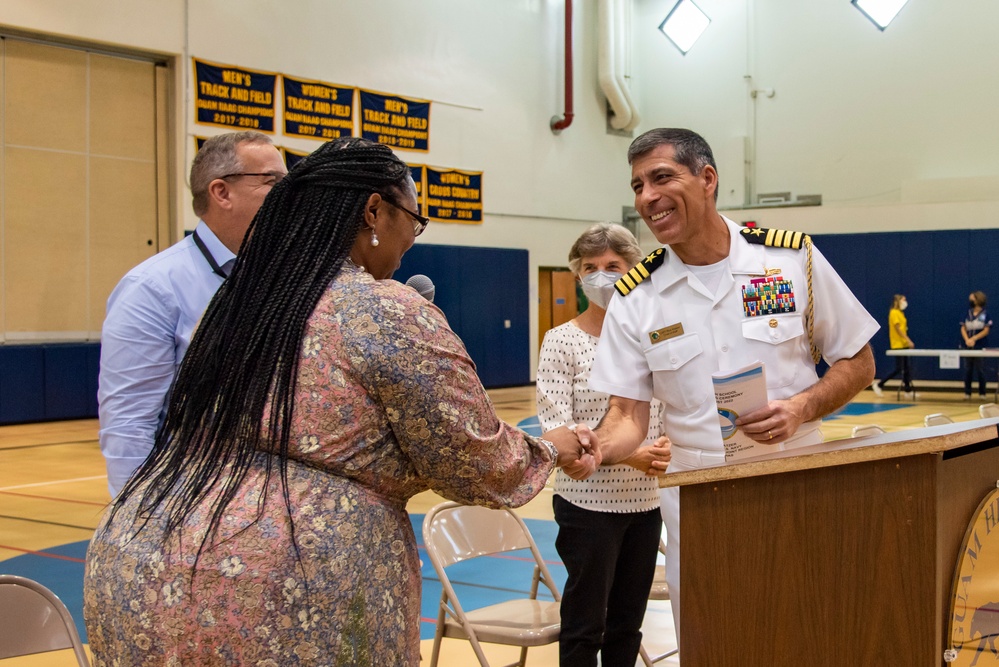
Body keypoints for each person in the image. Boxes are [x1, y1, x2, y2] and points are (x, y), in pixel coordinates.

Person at [83, 137, 597, 666]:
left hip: (139, 562)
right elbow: (477, 462)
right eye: (413, 222)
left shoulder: (241, 299)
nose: (411, 242)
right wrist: (549, 449)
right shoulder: (383, 309)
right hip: (281, 590)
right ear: (375, 210)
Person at [585, 128, 878, 640]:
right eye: (637, 186)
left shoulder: (789, 262)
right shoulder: (637, 298)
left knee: (814, 627)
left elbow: (858, 359)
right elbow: (627, 416)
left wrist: (802, 408)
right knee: (713, 635)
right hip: (699, 498)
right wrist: (595, 446)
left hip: (797, 478)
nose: (646, 198)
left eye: (660, 178)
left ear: (707, 178)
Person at [97, 131, 287, 497]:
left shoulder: (278, 277)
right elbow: (128, 425)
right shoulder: (151, 288)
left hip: (269, 507)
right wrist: (141, 523)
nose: (286, 192)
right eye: (271, 181)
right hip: (189, 508)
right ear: (221, 192)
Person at [537, 223, 671, 667]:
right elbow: (560, 431)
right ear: (577, 277)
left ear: (636, 270)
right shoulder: (562, 341)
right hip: (588, 507)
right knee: (585, 624)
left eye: (613, 266)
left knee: (628, 624)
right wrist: (631, 454)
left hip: (647, 503)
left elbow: (669, 409)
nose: (601, 276)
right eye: (590, 268)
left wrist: (669, 446)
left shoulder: (655, 336)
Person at [872, 294, 914, 397]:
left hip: (903, 344)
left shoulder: (901, 313)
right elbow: (898, 329)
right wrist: (908, 340)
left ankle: (908, 390)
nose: (905, 302)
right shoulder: (894, 313)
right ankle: (879, 384)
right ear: (898, 301)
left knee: (906, 368)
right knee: (899, 368)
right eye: (903, 300)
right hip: (898, 344)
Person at [961, 290, 993, 399]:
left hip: (980, 346)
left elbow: (986, 330)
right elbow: (963, 327)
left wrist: (974, 338)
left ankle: (982, 393)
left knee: (981, 370)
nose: (971, 301)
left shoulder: (985, 314)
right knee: (967, 370)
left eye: (972, 299)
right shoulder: (968, 313)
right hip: (967, 346)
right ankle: (967, 392)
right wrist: (967, 339)